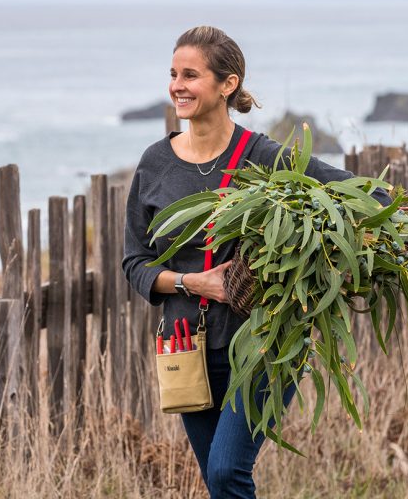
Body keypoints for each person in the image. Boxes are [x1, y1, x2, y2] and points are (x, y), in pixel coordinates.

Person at [121, 25, 392, 498]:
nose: (177, 86)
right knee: (219, 483)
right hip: (187, 347)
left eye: (190, 75)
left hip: (264, 345)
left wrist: (393, 222)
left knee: (227, 473)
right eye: (172, 74)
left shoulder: (264, 157)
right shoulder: (155, 163)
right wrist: (194, 283)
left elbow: (359, 194)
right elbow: (135, 261)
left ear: (228, 84)